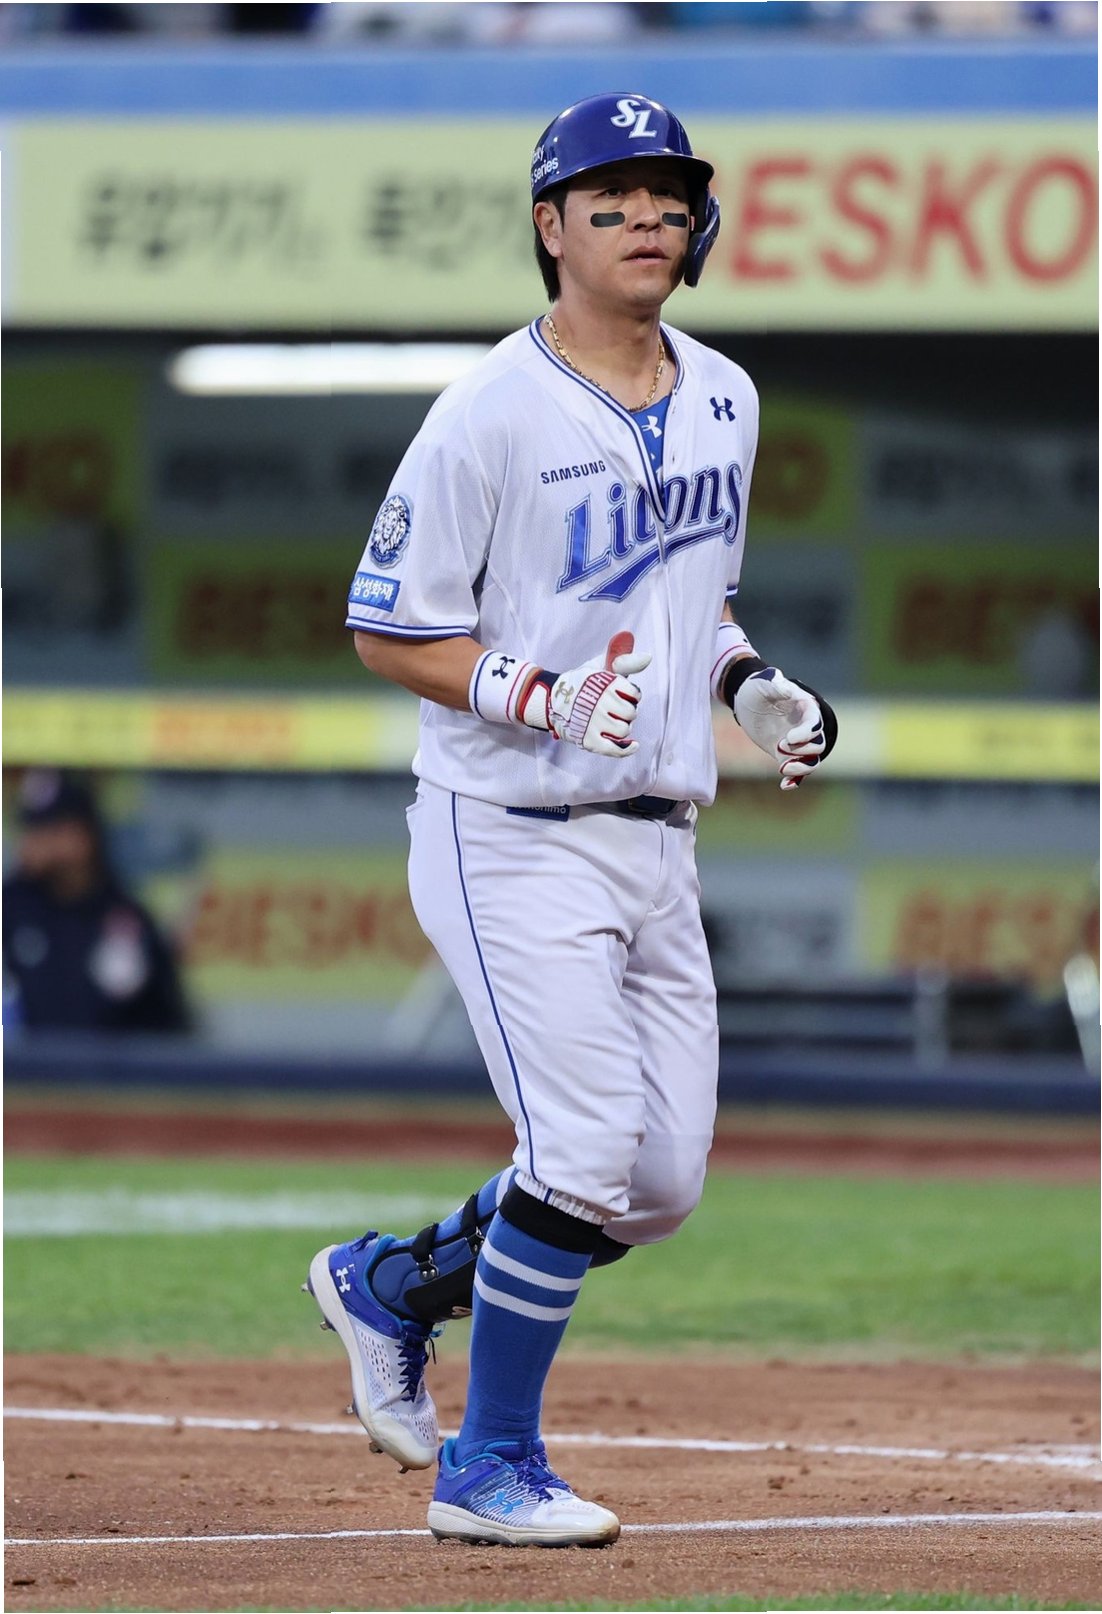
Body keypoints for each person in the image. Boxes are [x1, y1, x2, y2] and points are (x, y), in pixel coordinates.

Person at [308, 92, 837, 1548]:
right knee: (589, 1147)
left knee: (653, 1186)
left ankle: (392, 1284)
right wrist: (535, 693)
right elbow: (385, 625)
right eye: (611, 200)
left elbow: (697, 600)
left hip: (659, 833)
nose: (646, 220)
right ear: (550, 228)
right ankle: (487, 1469)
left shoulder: (724, 396)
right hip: (508, 824)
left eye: (669, 199)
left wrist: (748, 685)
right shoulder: (487, 409)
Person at [2, 769, 190, 1034]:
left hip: (107, 1060)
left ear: (82, 835)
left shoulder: (124, 916)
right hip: (23, 1060)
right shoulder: (11, 907)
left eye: (49, 830)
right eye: (31, 830)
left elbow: (167, 1021)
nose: (32, 842)